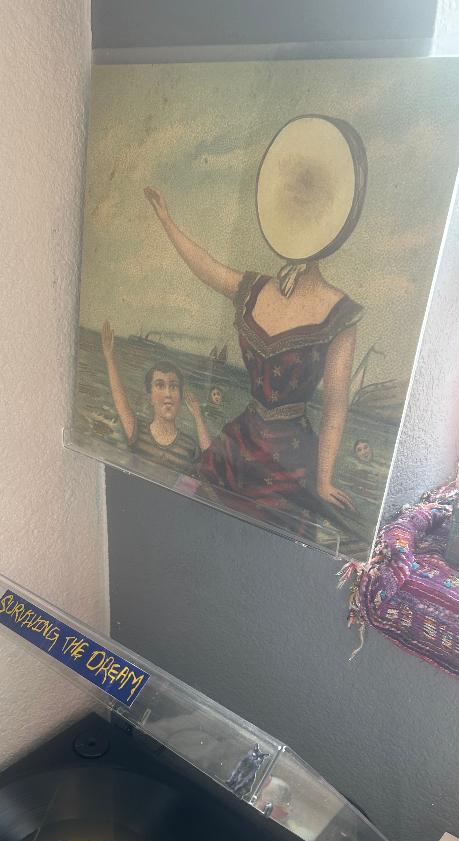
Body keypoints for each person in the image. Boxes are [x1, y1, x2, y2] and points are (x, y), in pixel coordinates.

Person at [142, 117, 365, 536]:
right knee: (192, 522)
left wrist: (323, 481)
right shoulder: (254, 289)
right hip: (240, 439)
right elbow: (208, 268)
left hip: (290, 460)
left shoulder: (341, 313)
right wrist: (167, 221)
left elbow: (337, 405)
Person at [100, 320, 210, 473]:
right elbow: (121, 404)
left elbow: (211, 465)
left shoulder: (190, 447)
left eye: (173, 386)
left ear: (180, 397)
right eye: (160, 385)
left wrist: (198, 417)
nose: (168, 394)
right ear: (150, 396)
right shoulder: (138, 432)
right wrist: (109, 358)